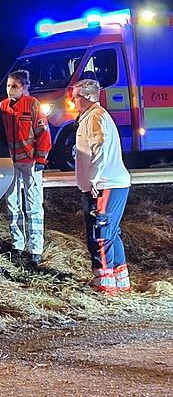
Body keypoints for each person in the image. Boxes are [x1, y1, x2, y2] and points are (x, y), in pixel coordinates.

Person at [72, 79, 132, 294]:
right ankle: (120, 282)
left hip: (105, 185)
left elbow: (101, 147)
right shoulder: (92, 116)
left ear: (87, 98)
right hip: (109, 184)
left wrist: (94, 179)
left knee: (101, 233)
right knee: (110, 233)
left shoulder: (95, 117)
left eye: (75, 96)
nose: (72, 100)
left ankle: (105, 285)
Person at [0, 70, 51, 266]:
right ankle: (17, 244)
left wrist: (40, 159)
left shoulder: (32, 105)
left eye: (14, 86)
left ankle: (36, 249)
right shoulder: (2, 106)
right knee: (12, 203)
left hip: (31, 162)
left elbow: (43, 133)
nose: (9, 89)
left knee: (34, 205)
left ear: (24, 88)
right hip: (11, 162)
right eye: (8, 85)